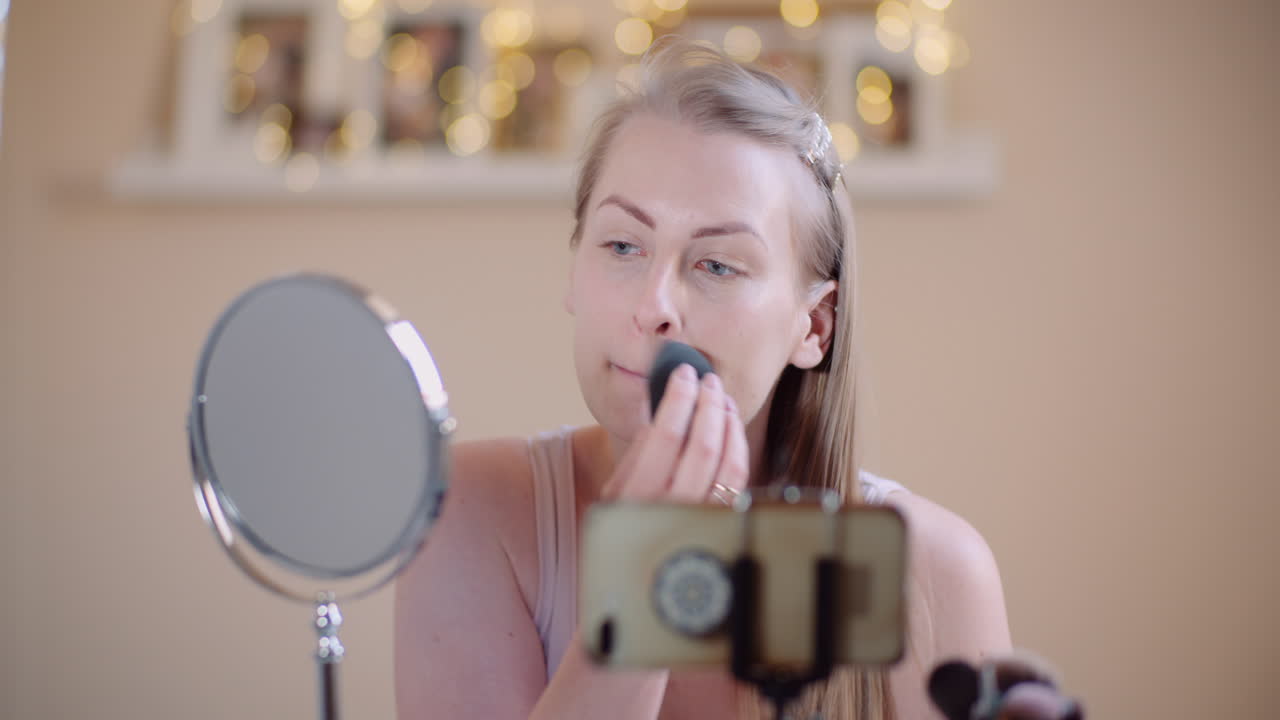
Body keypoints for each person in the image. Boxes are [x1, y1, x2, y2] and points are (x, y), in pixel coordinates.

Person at [394, 38, 1054, 719]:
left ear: (815, 327)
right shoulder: (470, 512)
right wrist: (642, 586)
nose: (654, 307)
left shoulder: (934, 571)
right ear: (574, 270)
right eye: (623, 245)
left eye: (717, 265)